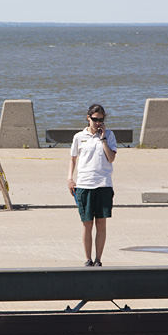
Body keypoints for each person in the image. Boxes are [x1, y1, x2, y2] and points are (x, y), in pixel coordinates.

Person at [67, 104, 117, 267]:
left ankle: (98, 259)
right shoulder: (79, 137)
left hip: (103, 184)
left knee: (101, 223)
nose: (98, 123)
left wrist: (102, 139)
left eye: (101, 120)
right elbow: (73, 158)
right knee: (87, 223)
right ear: (88, 118)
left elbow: (111, 158)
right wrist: (70, 178)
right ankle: (88, 259)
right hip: (84, 185)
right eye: (95, 119)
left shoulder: (109, 135)